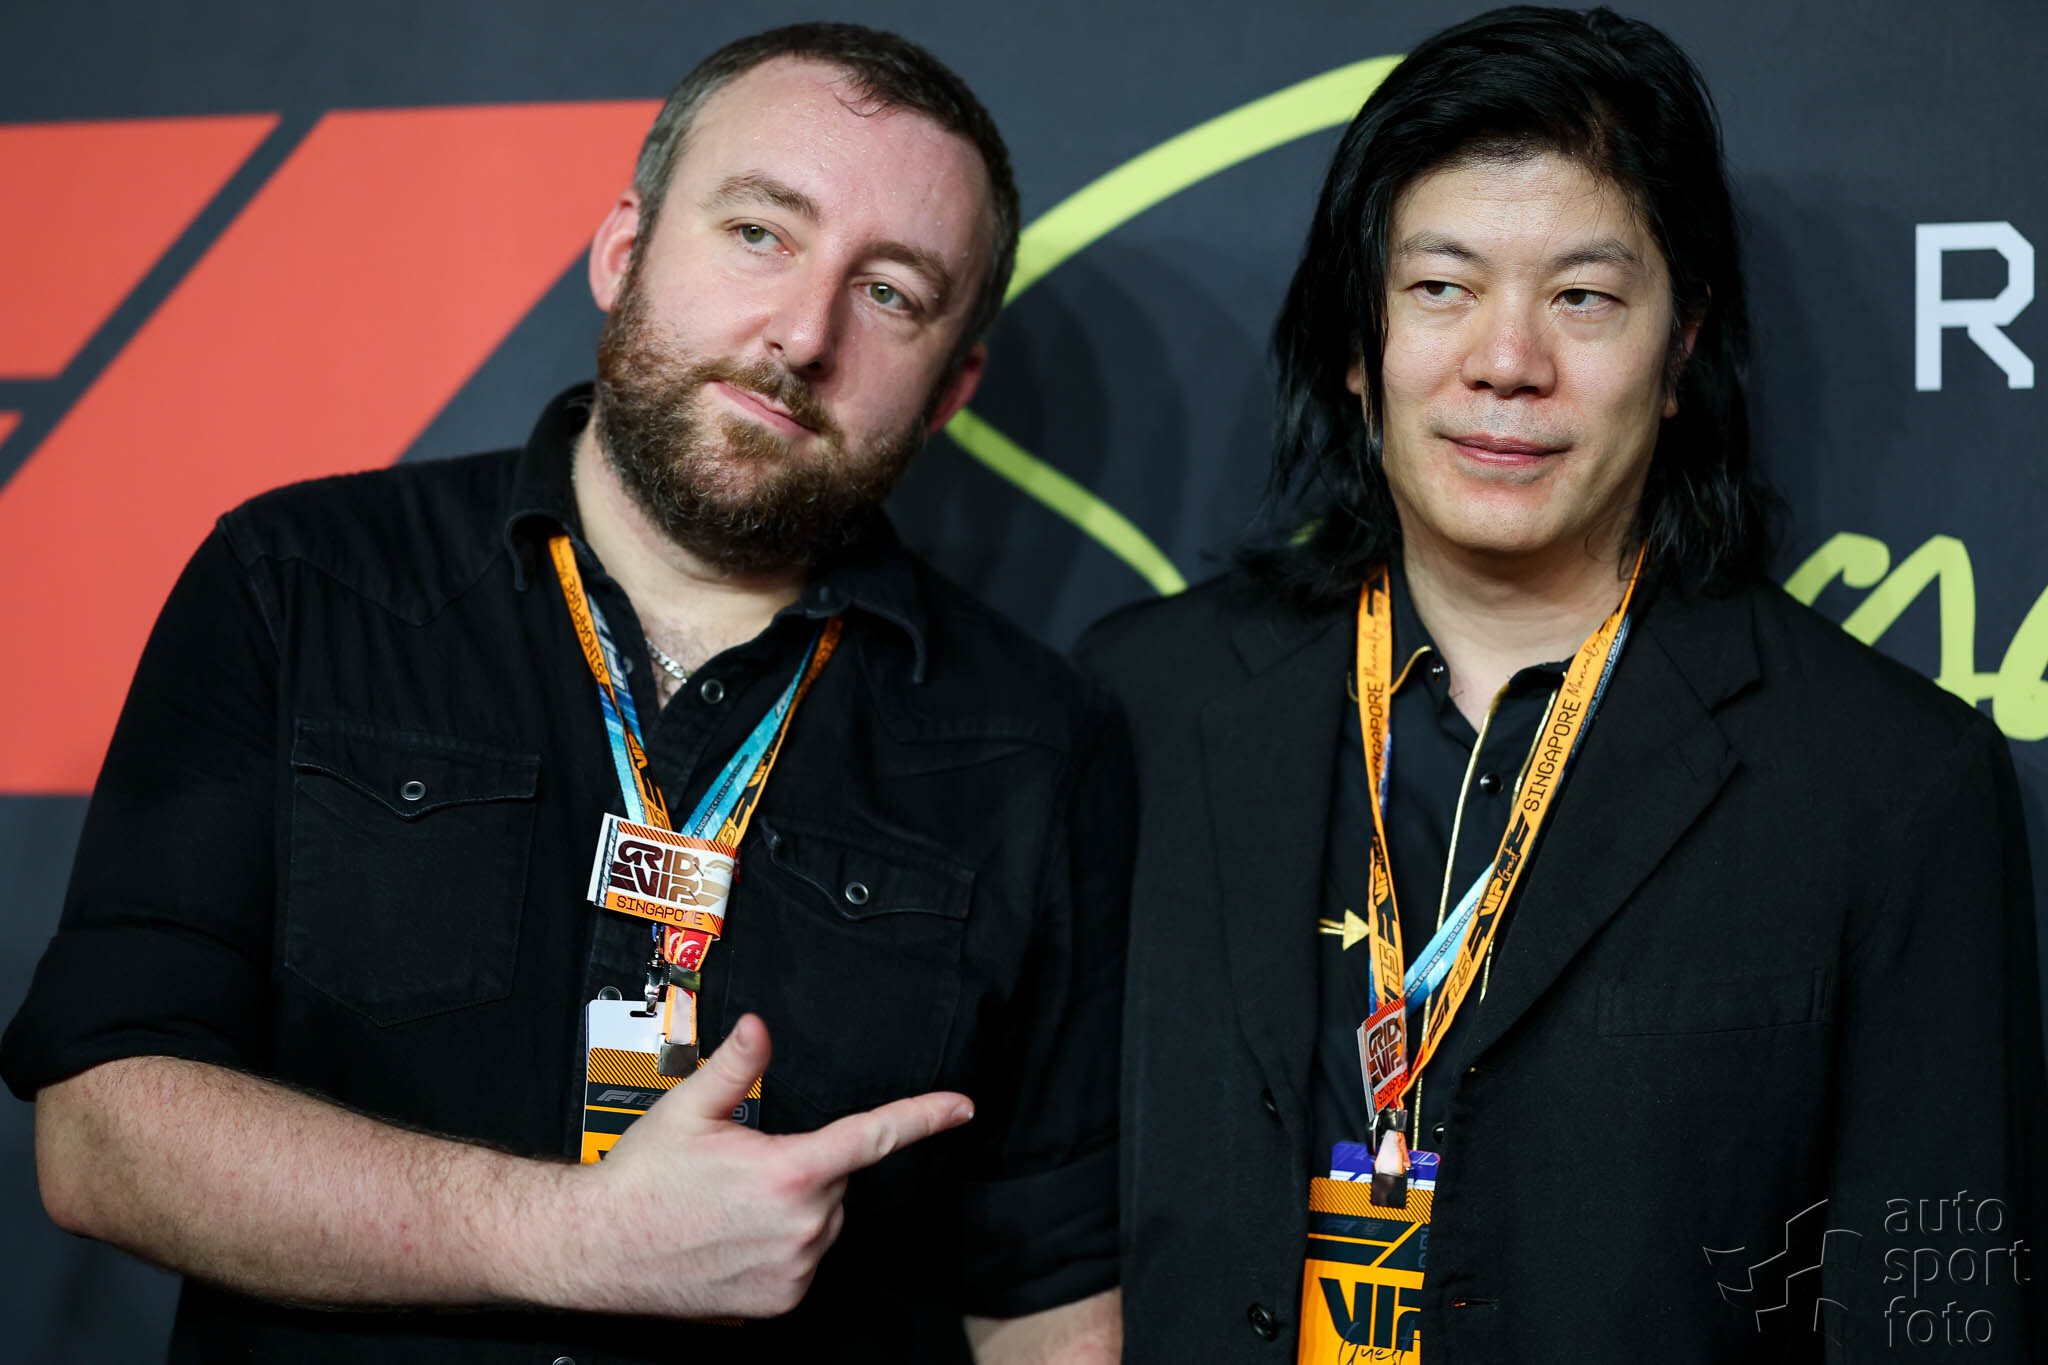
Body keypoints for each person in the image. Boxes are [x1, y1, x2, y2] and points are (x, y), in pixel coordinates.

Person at [3, 23, 1127, 1364]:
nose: (803, 333)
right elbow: (105, 1128)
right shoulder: (298, 585)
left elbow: (1048, 1301)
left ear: (951, 390)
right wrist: (576, 1233)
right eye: (759, 233)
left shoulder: (1032, 742)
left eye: (890, 292)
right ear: (622, 251)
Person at [1079, 7, 2044, 1361]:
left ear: (1681, 348)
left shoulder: (1892, 782)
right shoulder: (1144, 701)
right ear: (1357, 343)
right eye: (1441, 287)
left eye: (1583, 297)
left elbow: (1942, 1316)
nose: (1507, 362)